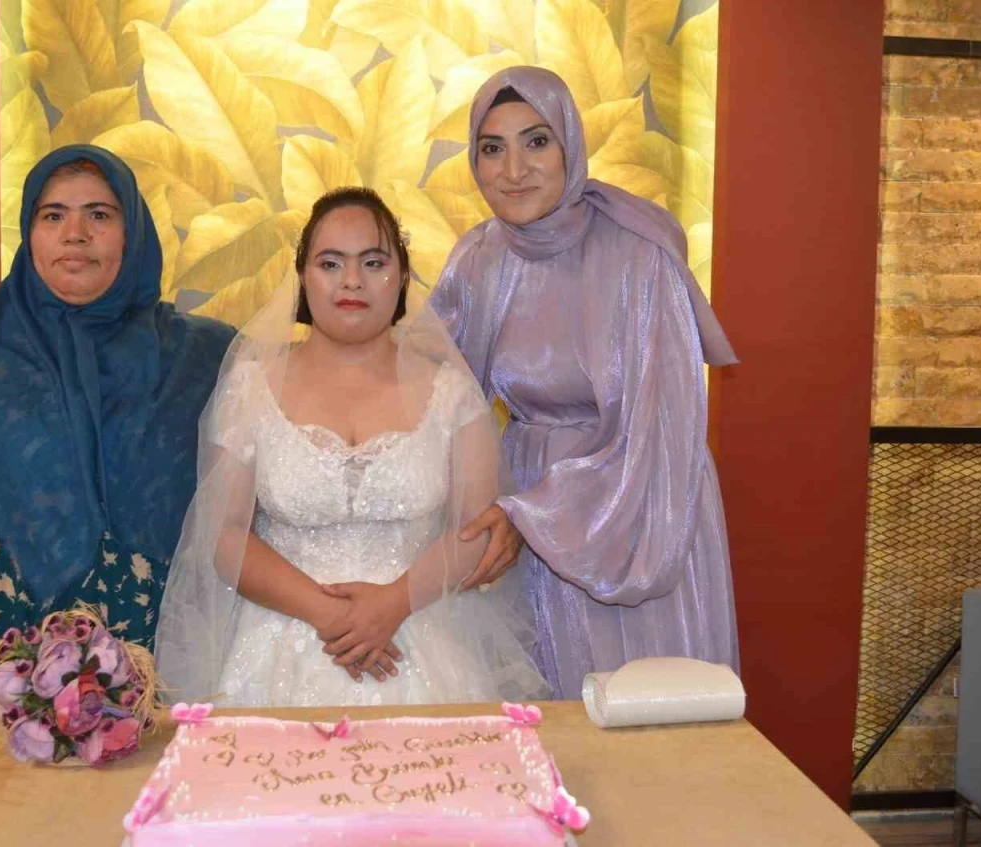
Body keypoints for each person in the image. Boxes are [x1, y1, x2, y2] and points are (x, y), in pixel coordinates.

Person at [0, 145, 234, 742]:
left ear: (133, 233)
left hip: (154, 642)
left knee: (151, 795)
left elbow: (251, 485)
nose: (75, 234)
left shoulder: (206, 355)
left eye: (100, 215)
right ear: (30, 233)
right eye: (53, 215)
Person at [155, 187, 547, 706]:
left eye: (374, 262)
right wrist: (331, 615)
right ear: (302, 277)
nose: (352, 280)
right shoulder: (251, 387)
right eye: (330, 263)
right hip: (276, 646)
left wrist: (391, 606)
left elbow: (477, 533)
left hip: (421, 636)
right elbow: (225, 535)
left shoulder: (452, 393)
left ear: (402, 277)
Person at [430, 67, 740, 700]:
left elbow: (660, 431)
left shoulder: (640, 255)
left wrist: (531, 515)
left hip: (638, 506)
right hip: (522, 507)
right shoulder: (478, 260)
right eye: (492, 148)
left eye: (536, 141)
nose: (514, 169)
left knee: (637, 719)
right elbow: (435, 399)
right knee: (543, 718)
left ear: (570, 144)